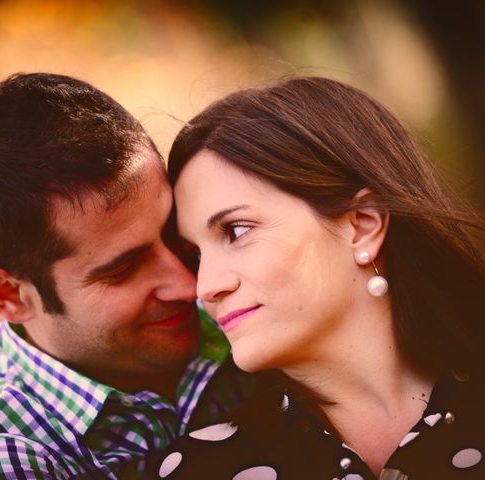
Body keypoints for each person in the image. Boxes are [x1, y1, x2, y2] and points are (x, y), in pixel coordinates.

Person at [0, 73, 251, 479]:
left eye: (176, 233)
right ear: (8, 295)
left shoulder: (246, 324)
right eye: (123, 269)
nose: (192, 288)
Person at [155, 77, 485, 479]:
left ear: (361, 225)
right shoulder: (199, 470)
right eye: (195, 255)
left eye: (236, 231)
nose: (206, 287)